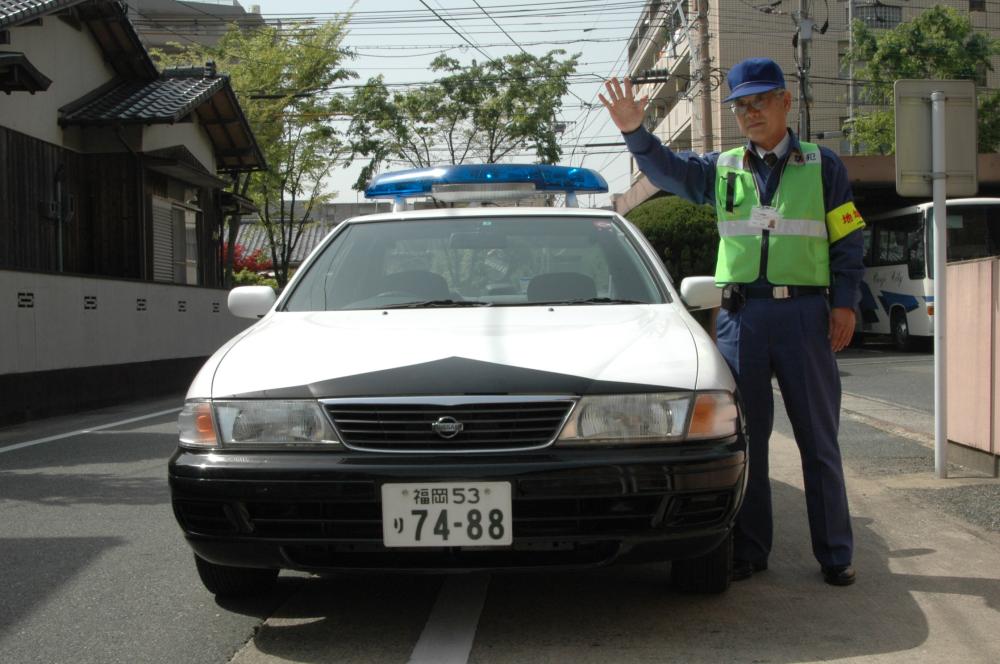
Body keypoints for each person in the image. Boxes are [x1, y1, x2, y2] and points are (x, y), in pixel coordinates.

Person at [600, 58, 864, 586]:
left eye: (760, 101)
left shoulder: (824, 165)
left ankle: (835, 553)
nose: (750, 112)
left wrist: (846, 301)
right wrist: (636, 132)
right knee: (748, 439)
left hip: (805, 315)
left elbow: (848, 236)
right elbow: (668, 171)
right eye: (741, 105)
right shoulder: (721, 169)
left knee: (819, 439)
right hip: (742, 317)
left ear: (786, 101)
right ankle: (749, 549)